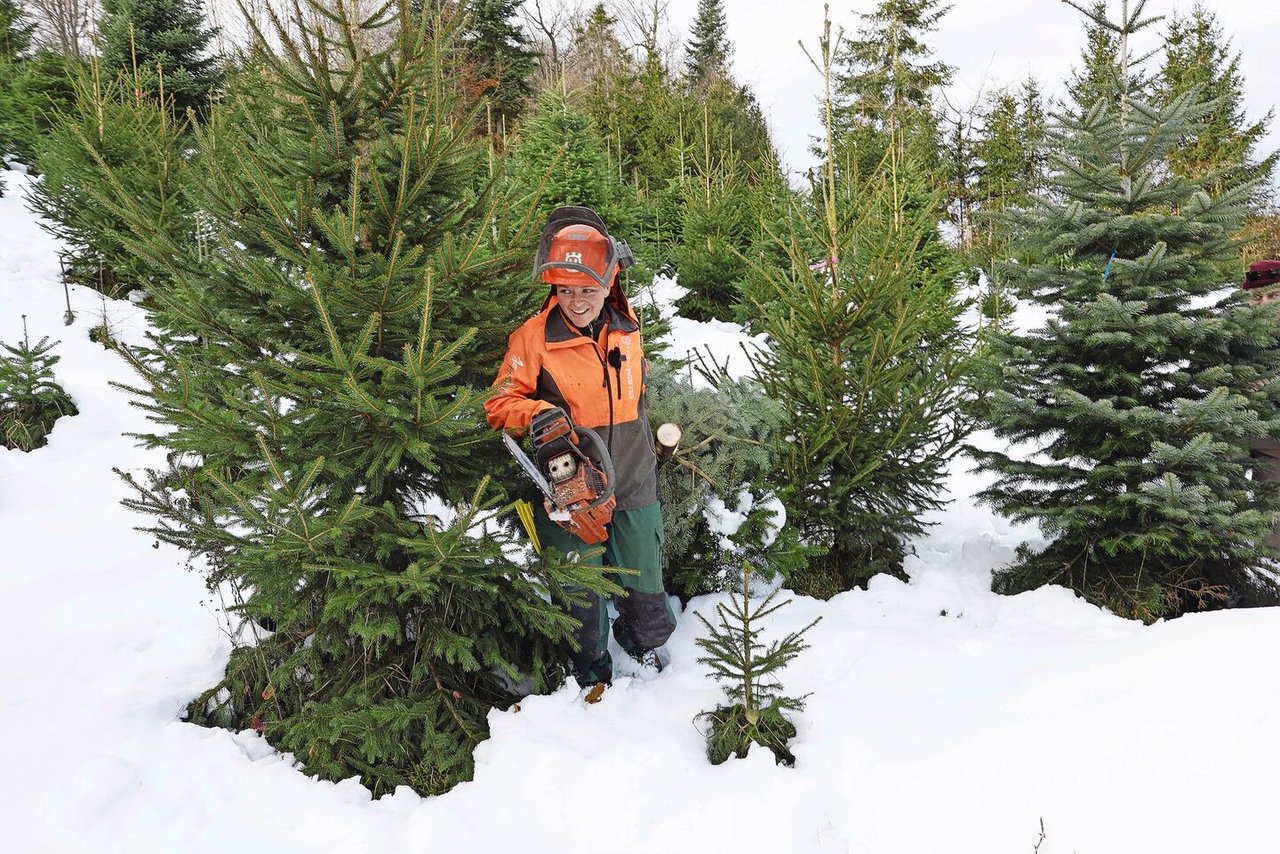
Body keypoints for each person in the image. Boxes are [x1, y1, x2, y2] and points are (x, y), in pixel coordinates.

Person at [485, 206, 676, 694]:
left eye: (587, 290)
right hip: (573, 484)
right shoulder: (533, 338)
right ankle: (590, 682)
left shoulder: (627, 328)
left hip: (633, 476)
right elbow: (499, 403)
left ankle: (642, 648)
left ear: (609, 284)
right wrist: (538, 415)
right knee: (580, 605)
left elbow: (636, 393)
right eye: (566, 290)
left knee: (648, 604)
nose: (576, 301)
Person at [1243, 259, 1280, 550]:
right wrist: (1235, 384)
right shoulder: (1228, 328)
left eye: (1274, 295)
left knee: (1273, 503)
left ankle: (1270, 559)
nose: (1265, 303)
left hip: (1274, 435)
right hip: (1227, 427)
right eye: (1258, 297)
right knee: (1217, 493)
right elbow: (1198, 376)